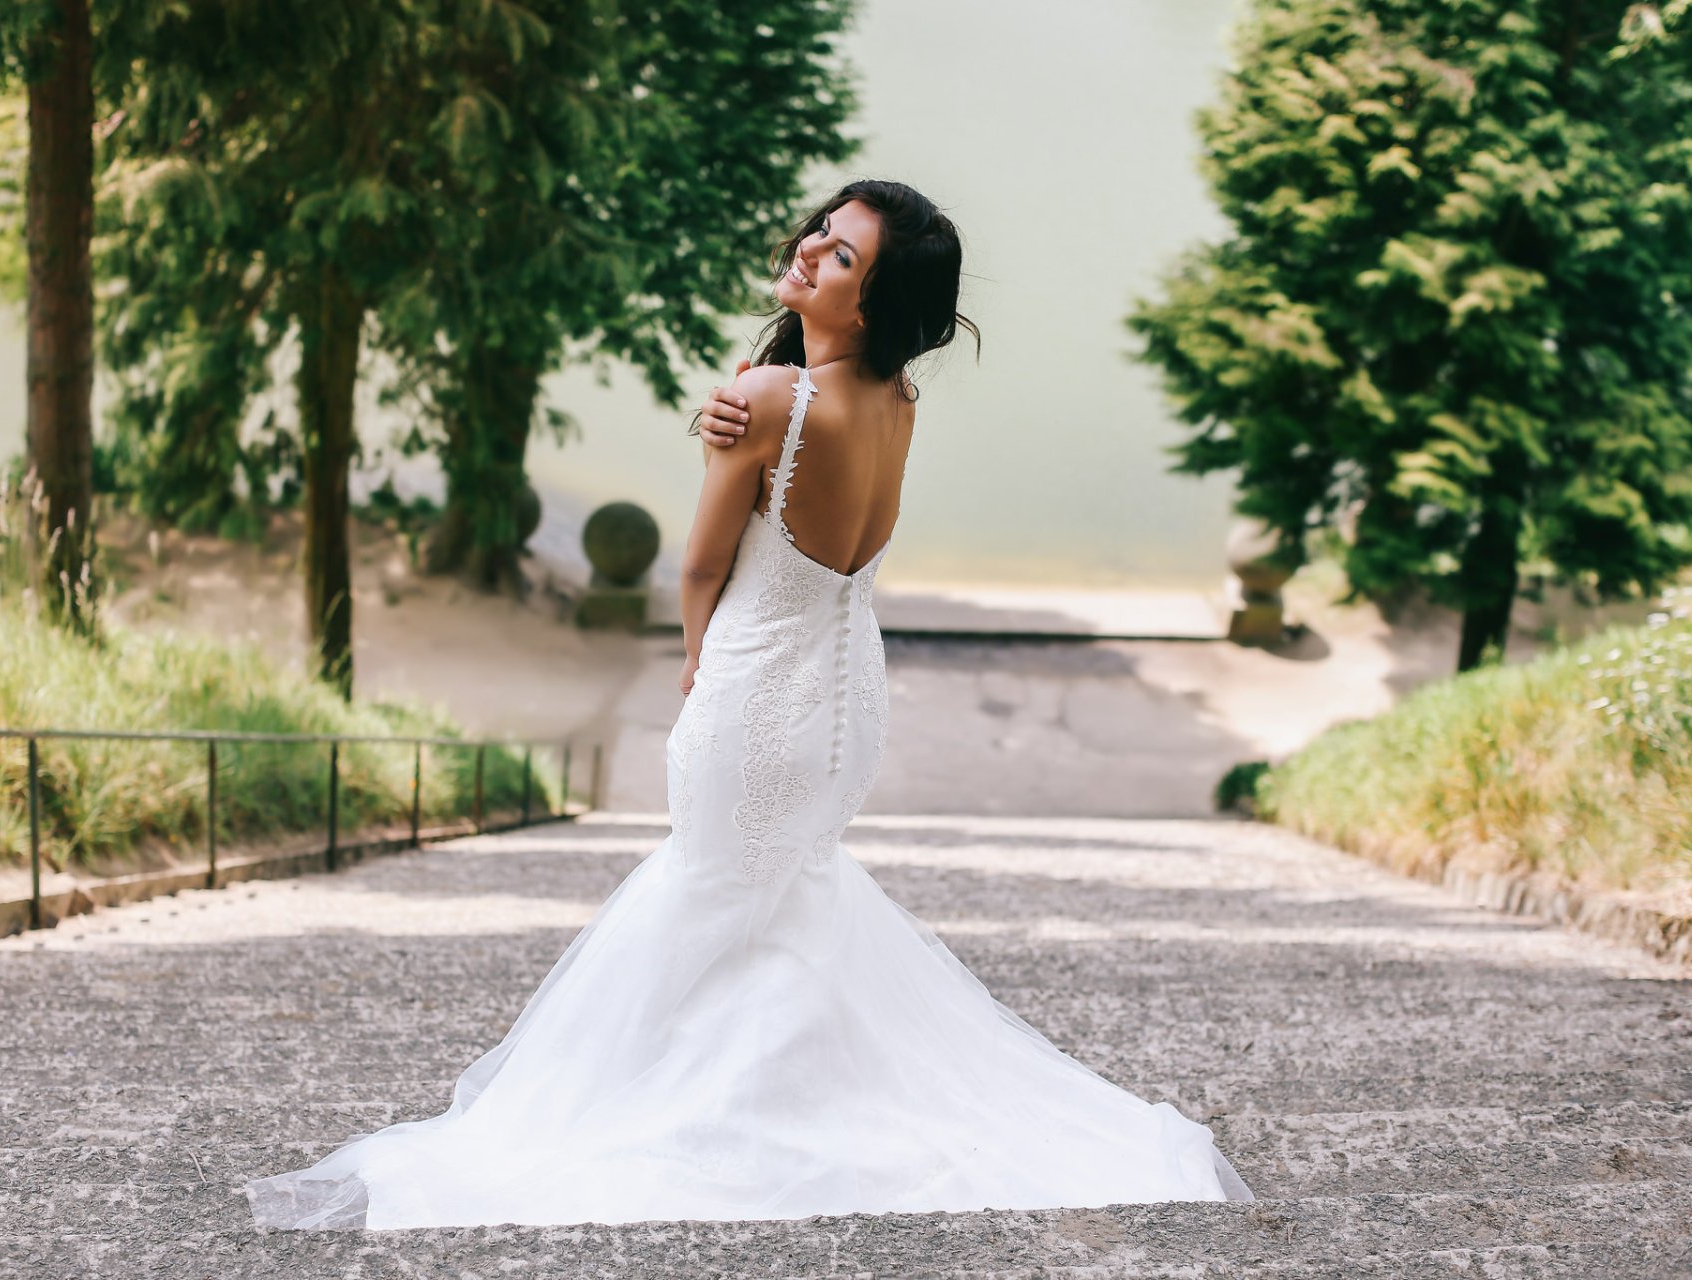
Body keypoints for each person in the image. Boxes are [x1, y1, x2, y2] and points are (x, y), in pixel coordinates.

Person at [243, 179, 1254, 1230]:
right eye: (824, 230)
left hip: (762, 691)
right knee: (783, 898)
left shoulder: (771, 398)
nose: (812, 249)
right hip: (846, 701)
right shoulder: (898, 400)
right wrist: (743, 416)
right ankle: (790, 1105)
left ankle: (723, 1126)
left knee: (709, 891)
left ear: (870, 305)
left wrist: (699, 661)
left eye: (843, 256)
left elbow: (700, 567)